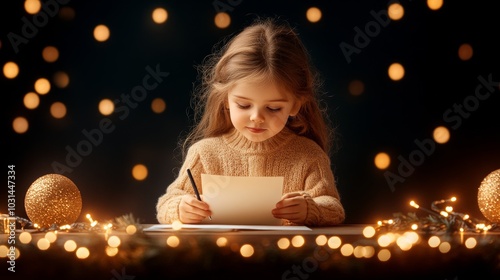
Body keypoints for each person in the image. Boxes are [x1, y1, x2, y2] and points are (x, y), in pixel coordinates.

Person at [156, 17, 345, 226]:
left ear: (295, 105)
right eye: (244, 105)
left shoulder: (308, 155)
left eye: (273, 108)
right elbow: (167, 203)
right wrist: (180, 208)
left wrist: (312, 209)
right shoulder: (204, 154)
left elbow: (333, 207)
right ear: (226, 99)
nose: (257, 117)